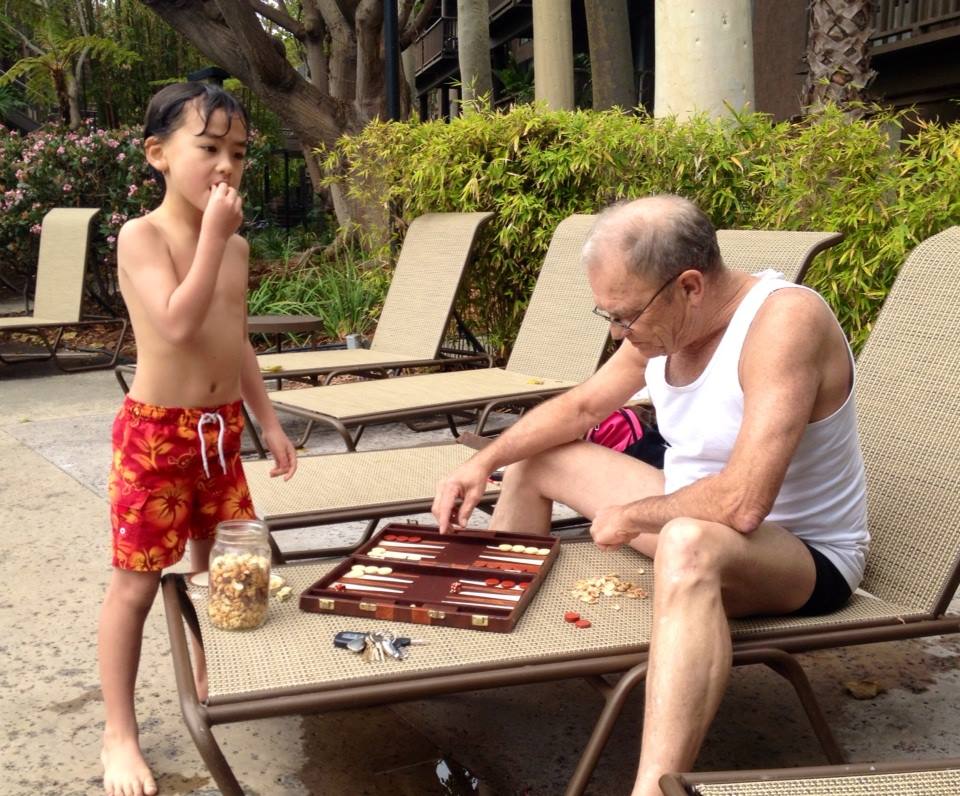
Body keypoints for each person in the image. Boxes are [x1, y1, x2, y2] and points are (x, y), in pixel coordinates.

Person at [432, 195, 868, 796]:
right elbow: (582, 407)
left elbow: (743, 502)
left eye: (626, 316)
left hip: (799, 556)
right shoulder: (665, 327)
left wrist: (633, 515)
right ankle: (492, 646)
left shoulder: (783, 323)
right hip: (689, 515)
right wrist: (483, 462)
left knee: (688, 541)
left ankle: (654, 788)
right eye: (609, 316)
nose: (619, 332)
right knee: (537, 460)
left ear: (689, 286)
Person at [99, 82, 298, 796]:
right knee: (136, 583)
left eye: (238, 153)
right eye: (209, 148)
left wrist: (267, 421)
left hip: (220, 435)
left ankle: (213, 670)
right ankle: (119, 733)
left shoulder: (235, 246)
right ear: (158, 153)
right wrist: (212, 237)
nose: (226, 166)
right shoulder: (143, 237)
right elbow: (179, 325)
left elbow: (233, 338)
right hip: (156, 436)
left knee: (223, 565)